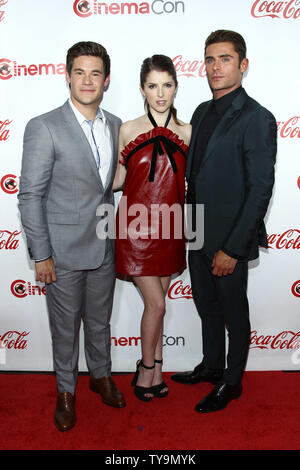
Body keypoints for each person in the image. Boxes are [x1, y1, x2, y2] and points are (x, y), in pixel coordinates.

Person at [18, 41, 125, 431]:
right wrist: (41, 254)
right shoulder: (43, 126)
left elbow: (108, 184)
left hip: (104, 246)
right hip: (61, 253)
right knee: (65, 329)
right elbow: (30, 195)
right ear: (66, 75)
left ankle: (101, 375)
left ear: (106, 80)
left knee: (100, 322)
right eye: (79, 72)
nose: (87, 80)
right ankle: (66, 391)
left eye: (95, 73)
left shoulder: (116, 125)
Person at [171, 30, 277, 413]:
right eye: (211, 60)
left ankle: (231, 382)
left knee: (234, 312)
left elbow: (260, 190)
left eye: (225, 59)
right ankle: (212, 365)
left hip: (229, 239)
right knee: (206, 306)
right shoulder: (200, 111)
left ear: (243, 65)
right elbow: (196, 176)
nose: (216, 67)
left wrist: (232, 249)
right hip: (197, 232)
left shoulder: (257, 117)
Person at [113, 55, 191, 402]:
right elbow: (116, 180)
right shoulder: (128, 129)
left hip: (171, 229)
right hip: (135, 230)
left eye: (167, 85)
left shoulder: (188, 132)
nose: (161, 94)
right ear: (142, 89)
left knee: (158, 306)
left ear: (176, 86)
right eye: (153, 86)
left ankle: (156, 369)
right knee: (157, 305)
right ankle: (146, 371)